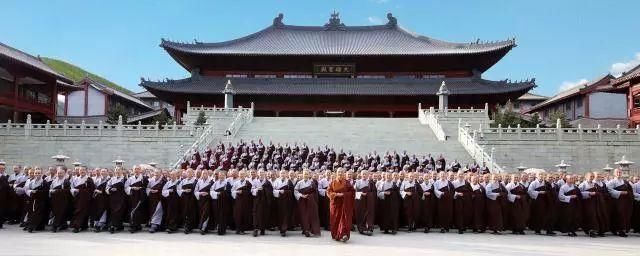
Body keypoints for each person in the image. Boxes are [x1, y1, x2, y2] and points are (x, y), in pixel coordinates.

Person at [327, 168, 355, 242]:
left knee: (344, 220)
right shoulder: (332, 182)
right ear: (336, 173)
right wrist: (335, 194)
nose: (340, 173)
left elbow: (352, 192)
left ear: (344, 173)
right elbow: (328, 192)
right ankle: (336, 234)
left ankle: (343, 235)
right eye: (339, 172)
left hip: (344, 204)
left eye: (342, 172)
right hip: (335, 205)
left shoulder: (347, 182)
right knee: (335, 220)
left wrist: (344, 194)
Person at [606, 168, 634, 237]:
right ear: (614, 173)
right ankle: (620, 230)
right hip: (617, 201)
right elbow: (609, 190)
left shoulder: (625, 182)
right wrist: (620, 192)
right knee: (619, 215)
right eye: (617, 172)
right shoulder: (611, 182)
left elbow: (630, 190)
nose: (619, 174)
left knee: (625, 215)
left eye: (620, 172)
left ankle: (622, 229)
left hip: (625, 201)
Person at [294, 170, 321, 237]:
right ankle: (305, 230)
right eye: (304, 174)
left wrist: (309, 196)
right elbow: (295, 191)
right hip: (302, 201)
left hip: (311, 202)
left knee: (310, 215)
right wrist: (301, 195)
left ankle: (311, 230)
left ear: (309, 175)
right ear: (302, 175)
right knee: (304, 215)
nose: (306, 175)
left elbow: (315, 193)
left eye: (307, 174)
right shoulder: (299, 183)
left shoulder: (312, 183)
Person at [70, 167, 95, 233]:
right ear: (79, 171)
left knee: (81, 211)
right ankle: (84, 225)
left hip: (85, 199)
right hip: (76, 197)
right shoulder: (75, 179)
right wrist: (74, 190)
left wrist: (80, 190)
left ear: (86, 171)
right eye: (81, 170)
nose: (82, 171)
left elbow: (91, 189)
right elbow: (71, 187)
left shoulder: (89, 179)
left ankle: (77, 226)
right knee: (78, 211)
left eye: (83, 170)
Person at [125, 166, 148, 233]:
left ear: (140, 170)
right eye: (135, 169)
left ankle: (136, 225)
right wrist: (132, 188)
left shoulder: (144, 178)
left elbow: (146, 187)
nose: (136, 170)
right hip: (132, 197)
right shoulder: (130, 178)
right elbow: (126, 187)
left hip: (140, 197)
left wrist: (140, 188)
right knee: (133, 210)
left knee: (137, 211)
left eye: (138, 169)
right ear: (133, 170)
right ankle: (134, 225)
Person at [24, 168, 48, 232]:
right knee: (33, 213)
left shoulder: (44, 182)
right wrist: (32, 191)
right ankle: (36, 226)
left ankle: (31, 227)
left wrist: (37, 192)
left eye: (39, 173)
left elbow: (45, 192)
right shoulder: (31, 181)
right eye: (36, 173)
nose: (37, 174)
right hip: (33, 199)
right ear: (34, 174)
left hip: (41, 200)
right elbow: (27, 189)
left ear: (41, 174)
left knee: (37, 213)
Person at [272, 170, 295, 237]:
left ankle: (284, 229)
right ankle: (280, 228)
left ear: (286, 174)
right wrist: (279, 191)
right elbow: (273, 190)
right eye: (281, 173)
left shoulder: (288, 181)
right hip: (279, 200)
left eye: (284, 173)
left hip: (287, 201)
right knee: (280, 214)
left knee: (285, 215)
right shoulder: (277, 181)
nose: (282, 174)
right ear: (279, 174)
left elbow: (291, 191)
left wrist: (285, 192)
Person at [251, 169, 273, 237]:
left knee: (264, 214)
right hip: (257, 201)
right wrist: (257, 190)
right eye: (260, 173)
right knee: (256, 214)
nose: (261, 174)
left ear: (264, 174)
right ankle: (255, 229)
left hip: (264, 201)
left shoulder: (268, 182)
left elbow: (270, 191)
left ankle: (262, 229)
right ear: (258, 174)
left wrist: (264, 189)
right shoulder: (255, 182)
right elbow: (252, 190)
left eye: (262, 173)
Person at [354, 170, 376, 236]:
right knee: (361, 213)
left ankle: (369, 227)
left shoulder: (371, 183)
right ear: (361, 175)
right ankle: (361, 228)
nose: (364, 175)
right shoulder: (357, 182)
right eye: (363, 174)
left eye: (365, 174)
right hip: (360, 201)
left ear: (368, 175)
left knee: (369, 213)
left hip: (369, 201)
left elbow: (374, 192)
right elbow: (354, 192)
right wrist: (361, 193)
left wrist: (369, 195)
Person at [231, 170, 253, 234]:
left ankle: (242, 229)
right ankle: (238, 228)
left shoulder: (248, 183)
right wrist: (237, 192)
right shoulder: (236, 183)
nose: (241, 175)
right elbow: (232, 191)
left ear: (245, 175)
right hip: (237, 201)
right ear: (239, 175)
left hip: (245, 201)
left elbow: (250, 192)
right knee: (237, 215)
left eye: (243, 174)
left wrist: (243, 192)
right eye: (240, 174)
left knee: (244, 215)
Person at [48, 168, 70, 232]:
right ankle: (63, 224)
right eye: (58, 173)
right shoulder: (54, 181)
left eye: (61, 173)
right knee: (56, 212)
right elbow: (50, 189)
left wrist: (56, 191)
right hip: (54, 199)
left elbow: (67, 191)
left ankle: (55, 226)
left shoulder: (66, 181)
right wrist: (52, 191)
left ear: (64, 174)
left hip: (63, 200)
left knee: (59, 212)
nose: (59, 174)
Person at [106, 168, 127, 233]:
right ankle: (117, 226)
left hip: (121, 198)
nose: (117, 171)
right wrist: (110, 189)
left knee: (119, 212)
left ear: (121, 171)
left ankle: (114, 226)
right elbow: (107, 187)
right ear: (115, 171)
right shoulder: (112, 179)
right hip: (113, 198)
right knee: (113, 212)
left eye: (119, 170)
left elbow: (127, 188)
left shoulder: (125, 179)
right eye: (116, 170)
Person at [210, 171, 230, 235]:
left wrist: (221, 193)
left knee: (223, 215)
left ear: (225, 176)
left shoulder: (227, 183)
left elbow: (228, 193)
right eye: (220, 175)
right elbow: (211, 191)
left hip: (224, 202)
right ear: (218, 176)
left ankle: (222, 230)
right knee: (217, 215)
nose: (221, 176)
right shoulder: (215, 183)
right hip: (216, 201)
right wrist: (217, 193)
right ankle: (218, 227)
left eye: (223, 175)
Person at [178, 169, 198, 234]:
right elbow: (178, 190)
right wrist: (184, 191)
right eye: (187, 172)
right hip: (184, 199)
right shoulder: (183, 181)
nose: (188, 173)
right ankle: (186, 225)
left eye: (190, 172)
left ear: (193, 173)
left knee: (191, 212)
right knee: (185, 212)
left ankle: (190, 227)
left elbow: (197, 190)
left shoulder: (195, 181)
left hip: (192, 199)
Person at [146, 169, 165, 233]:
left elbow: (165, 189)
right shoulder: (151, 180)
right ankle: (152, 223)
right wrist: (150, 191)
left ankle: (154, 225)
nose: (156, 174)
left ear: (160, 173)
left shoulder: (163, 181)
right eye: (155, 173)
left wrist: (158, 191)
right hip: (152, 198)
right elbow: (148, 188)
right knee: (152, 210)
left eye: (157, 173)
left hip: (159, 198)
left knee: (158, 210)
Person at [195, 170, 214, 235]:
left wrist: (208, 193)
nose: (204, 175)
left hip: (208, 199)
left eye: (206, 173)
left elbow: (212, 190)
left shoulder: (211, 182)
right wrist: (200, 193)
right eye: (203, 174)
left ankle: (203, 228)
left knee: (206, 213)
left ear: (208, 174)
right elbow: (195, 191)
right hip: (201, 200)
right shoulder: (199, 182)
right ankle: (204, 228)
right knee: (201, 213)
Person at [0, 161, 8, 229]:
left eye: (3, 169)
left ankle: (0, 223)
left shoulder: (5, 176)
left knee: (2, 210)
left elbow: (6, 187)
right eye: (1, 168)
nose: (2, 170)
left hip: (3, 197)